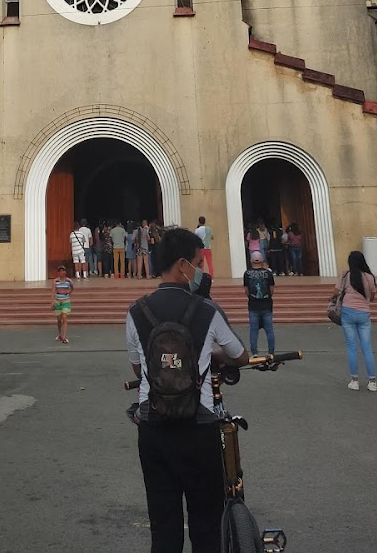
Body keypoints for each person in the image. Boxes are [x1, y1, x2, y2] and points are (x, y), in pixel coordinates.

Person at [127, 226, 248, 553]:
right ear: (183, 265)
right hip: (199, 428)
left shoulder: (136, 311)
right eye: (197, 262)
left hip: (153, 428)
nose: (201, 270)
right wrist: (211, 355)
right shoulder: (206, 310)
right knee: (205, 525)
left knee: (163, 528)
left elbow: (139, 368)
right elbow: (240, 355)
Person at [338, 250, 377, 391]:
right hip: (364, 313)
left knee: (351, 347)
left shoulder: (346, 276)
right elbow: (372, 297)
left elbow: (336, 291)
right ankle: (372, 381)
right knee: (367, 347)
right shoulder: (369, 277)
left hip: (348, 311)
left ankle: (354, 380)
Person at [243, 251, 275, 355]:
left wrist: (252, 298)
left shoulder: (247, 274)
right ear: (262, 261)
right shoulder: (268, 273)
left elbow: (246, 290)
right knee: (269, 330)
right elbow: (271, 289)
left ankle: (254, 353)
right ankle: (271, 352)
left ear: (251, 260)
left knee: (253, 330)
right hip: (266, 305)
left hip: (253, 305)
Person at [52, 263, 73, 343]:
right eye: (60, 271)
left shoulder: (69, 281)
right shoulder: (55, 281)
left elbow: (72, 288)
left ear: (65, 272)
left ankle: (64, 337)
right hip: (57, 301)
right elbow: (53, 291)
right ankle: (59, 334)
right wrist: (52, 301)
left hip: (65, 301)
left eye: (63, 271)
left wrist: (68, 293)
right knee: (59, 320)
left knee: (64, 318)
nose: (61, 272)